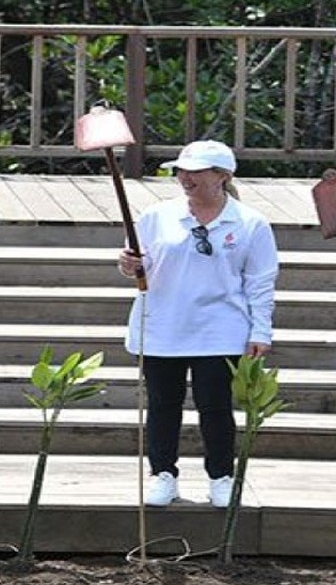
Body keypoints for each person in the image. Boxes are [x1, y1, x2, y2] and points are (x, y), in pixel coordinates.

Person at [117, 140, 276, 508]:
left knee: (216, 406)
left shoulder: (251, 222)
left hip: (220, 329)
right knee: (162, 405)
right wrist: (129, 265)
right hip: (163, 325)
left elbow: (261, 282)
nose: (186, 178)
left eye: (197, 171)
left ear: (222, 176)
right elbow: (137, 264)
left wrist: (260, 331)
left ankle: (221, 476)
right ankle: (163, 474)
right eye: (182, 170)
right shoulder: (156, 216)